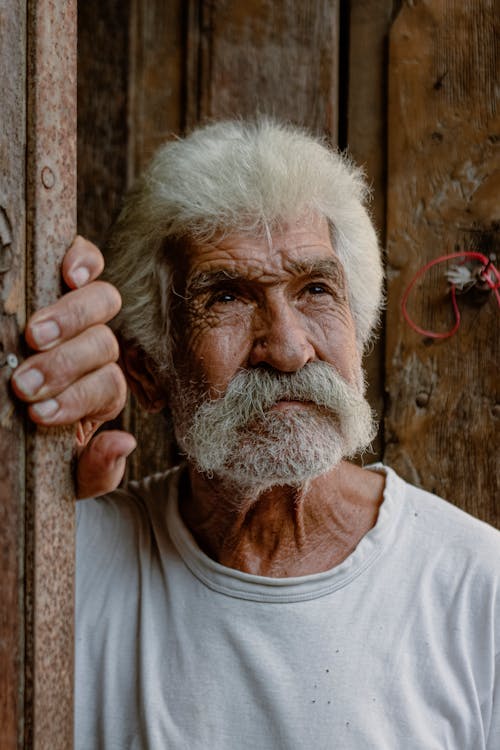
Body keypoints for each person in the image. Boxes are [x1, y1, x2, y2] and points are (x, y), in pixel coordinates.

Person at [12, 119, 499, 749]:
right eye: (228, 298)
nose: (290, 349)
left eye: (316, 289)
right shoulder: (65, 564)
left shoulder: (476, 588)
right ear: (148, 371)